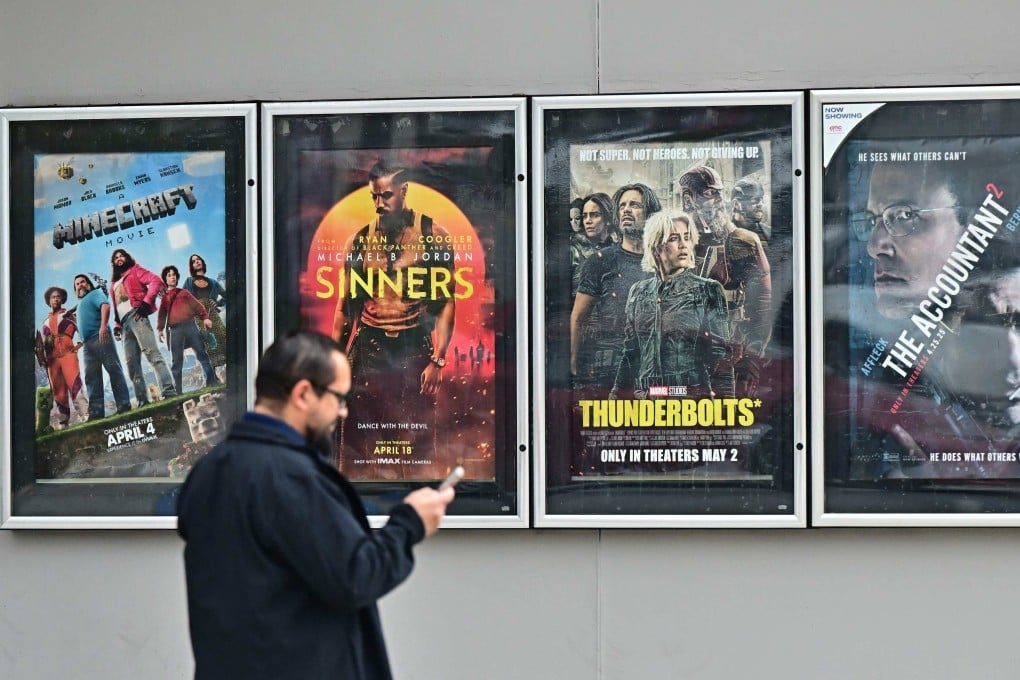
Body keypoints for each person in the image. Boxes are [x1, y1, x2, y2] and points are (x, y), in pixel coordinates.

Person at [178, 330, 454, 679]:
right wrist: (411, 522)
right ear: (304, 394)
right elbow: (355, 577)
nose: (342, 412)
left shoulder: (211, 470)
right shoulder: (291, 477)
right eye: (339, 397)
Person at [331, 161, 456, 472]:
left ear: (404, 192)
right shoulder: (359, 241)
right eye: (374, 197)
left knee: (418, 444)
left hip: (414, 348)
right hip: (369, 350)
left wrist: (437, 360)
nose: (379, 204)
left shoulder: (432, 234)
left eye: (386, 196)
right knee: (360, 445)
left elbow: (447, 303)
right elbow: (345, 308)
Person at [612, 211, 732, 399]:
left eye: (687, 238)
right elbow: (630, 354)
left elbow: (722, 356)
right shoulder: (638, 292)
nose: (684, 245)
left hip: (691, 402)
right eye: (675, 238)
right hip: (645, 403)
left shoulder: (708, 290)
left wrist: (726, 410)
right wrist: (615, 398)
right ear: (656, 245)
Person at [677, 166, 772, 396]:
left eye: (720, 192)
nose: (720, 200)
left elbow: (763, 302)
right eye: (710, 193)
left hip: (728, 358)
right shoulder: (672, 243)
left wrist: (752, 358)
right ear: (689, 199)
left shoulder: (741, 242)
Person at [570, 183, 661, 389]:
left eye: (635, 205)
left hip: (655, 369)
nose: (627, 210)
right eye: (622, 206)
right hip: (610, 369)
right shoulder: (600, 261)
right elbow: (578, 318)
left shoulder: (665, 260)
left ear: (650, 214)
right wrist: (573, 368)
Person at [110, 248, 177, 403]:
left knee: (152, 355)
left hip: (137, 315)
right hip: (124, 323)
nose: (119, 259)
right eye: (116, 257)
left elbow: (155, 281)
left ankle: (169, 392)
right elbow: (117, 307)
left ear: (127, 258)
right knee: (131, 364)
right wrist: (116, 326)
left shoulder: (135, 270)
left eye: (122, 256)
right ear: (113, 263)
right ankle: (142, 401)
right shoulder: (113, 284)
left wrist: (146, 303)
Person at [73, 274, 131, 420]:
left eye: (82, 282)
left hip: (101, 338)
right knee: (92, 378)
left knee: (113, 370)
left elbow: (105, 306)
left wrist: (103, 326)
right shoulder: (80, 304)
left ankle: (124, 406)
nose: (80, 285)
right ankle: (96, 413)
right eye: (77, 284)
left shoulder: (95, 294)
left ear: (88, 284)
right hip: (87, 345)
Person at [157, 265, 220, 394]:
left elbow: (199, 307)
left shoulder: (184, 293)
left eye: (174, 274)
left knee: (202, 354)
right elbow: (162, 315)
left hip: (190, 326)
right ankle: (178, 392)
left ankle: (211, 383)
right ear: (165, 280)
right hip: (174, 331)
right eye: (169, 275)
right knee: (176, 362)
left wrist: (206, 318)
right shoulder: (165, 298)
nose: (172, 277)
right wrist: (160, 330)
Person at [37, 285, 88, 427]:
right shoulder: (45, 323)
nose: (56, 299)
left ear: (62, 300)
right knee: (58, 391)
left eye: (58, 297)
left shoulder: (69, 314)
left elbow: (82, 329)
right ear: (49, 300)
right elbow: (40, 344)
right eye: (53, 297)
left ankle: (85, 415)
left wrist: (78, 345)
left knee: (75, 384)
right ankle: (63, 421)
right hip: (52, 360)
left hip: (68, 355)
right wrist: (42, 359)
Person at [183, 252, 227, 368]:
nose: (196, 262)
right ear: (191, 266)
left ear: (202, 262)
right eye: (193, 261)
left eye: (198, 259)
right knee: (207, 341)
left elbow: (226, 296)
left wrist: (218, 302)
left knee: (222, 336)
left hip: (213, 313)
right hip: (198, 316)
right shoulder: (188, 281)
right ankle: (212, 373)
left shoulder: (213, 282)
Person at [570, 192, 619, 295]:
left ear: (608, 219)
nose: (587, 221)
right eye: (584, 216)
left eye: (594, 215)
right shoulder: (573, 249)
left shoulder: (618, 248)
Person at [731, 178, 772, 247]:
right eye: (755, 200)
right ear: (736, 204)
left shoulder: (769, 233)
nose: (760, 204)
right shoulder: (724, 235)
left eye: (761, 200)